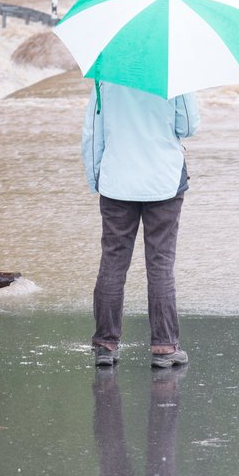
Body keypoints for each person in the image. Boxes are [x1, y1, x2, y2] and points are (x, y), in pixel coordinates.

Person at [81, 80, 198, 368]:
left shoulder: (105, 71)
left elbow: (93, 132)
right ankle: (165, 347)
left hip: (117, 181)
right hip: (163, 180)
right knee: (160, 264)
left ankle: (105, 345)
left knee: (113, 262)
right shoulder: (175, 69)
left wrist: (97, 178)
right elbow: (188, 125)